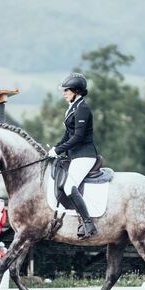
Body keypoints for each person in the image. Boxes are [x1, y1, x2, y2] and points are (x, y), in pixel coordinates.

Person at [47, 73, 98, 240]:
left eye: (66, 90)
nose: (64, 93)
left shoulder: (83, 109)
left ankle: (88, 224)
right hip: (74, 155)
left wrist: (60, 150)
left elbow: (78, 137)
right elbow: (67, 135)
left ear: (76, 91)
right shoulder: (73, 107)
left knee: (69, 186)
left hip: (85, 155)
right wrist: (55, 149)